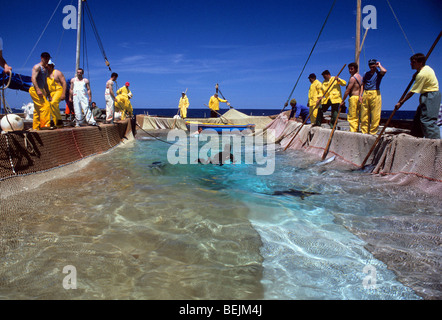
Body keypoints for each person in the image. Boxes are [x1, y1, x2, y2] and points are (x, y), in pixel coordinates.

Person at [395, 53, 441, 139]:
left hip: (430, 96)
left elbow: (411, 92)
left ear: (420, 62)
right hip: (427, 95)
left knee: (428, 121)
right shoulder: (426, 68)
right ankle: (416, 139)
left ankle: (436, 145)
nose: (411, 64)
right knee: (418, 120)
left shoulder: (422, 74)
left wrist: (401, 102)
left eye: (413, 62)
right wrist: (417, 73)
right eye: (411, 62)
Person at [360, 59, 387, 135]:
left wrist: (379, 65)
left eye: (373, 65)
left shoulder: (378, 73)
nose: (372, 67)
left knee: (375, 114)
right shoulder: (366, 74)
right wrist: (360, 95)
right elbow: (363, 84)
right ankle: (364, 131)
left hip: (375, 92)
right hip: (366, 93)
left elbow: (384, 71)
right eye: (370, 65)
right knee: (364, 114)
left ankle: (373, 132)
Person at [29, 52, 52, 130]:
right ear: (41, 58)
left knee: (38, 109)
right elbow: (33, 78)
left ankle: (36, 127)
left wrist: (49, 94)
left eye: (48, 58)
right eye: (45, 58)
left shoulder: (45, 69)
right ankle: (44, 126)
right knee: (45, 106)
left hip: (41, 89)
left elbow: (45, 83)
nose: (47, 60)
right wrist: (38, 90)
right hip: (35, 89)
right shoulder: (37, 67)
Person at [341, 62, 363, 132]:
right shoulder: (360, 77)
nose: (350, 70)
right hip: (359, 98)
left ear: (356, 69)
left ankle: (353, 130)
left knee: (352, 116)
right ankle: (357, 129)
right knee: (358, 115)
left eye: (352, 69)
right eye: (349, 69)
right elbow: (362, 86)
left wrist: (343, 100)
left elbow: (348, 90)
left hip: (353, 98)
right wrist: (360, 95)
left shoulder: (353, 78)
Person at [47, 59, 67, 128]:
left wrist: (63, 94)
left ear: (52, 65)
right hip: (51, 92)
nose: (47, 67)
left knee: (53, 103)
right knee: (51, 106)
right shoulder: (45, 74)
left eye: (48, 65)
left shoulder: (57, 72)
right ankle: (57, 124)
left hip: (58, 90)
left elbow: (64, 83)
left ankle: (59, 121)